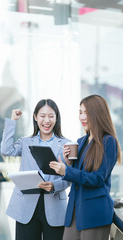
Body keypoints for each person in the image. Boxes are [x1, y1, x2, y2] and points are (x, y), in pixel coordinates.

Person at [49, 94, 121, 240]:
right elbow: (77, 174)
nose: (82, 117)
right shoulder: (80, 142)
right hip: (75, 211)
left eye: (86, 113)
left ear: (97, 114)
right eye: (80, 112)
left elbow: (97, 178)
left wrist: (67, 170)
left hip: (95, 213)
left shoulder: (108, 141)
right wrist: (68, 164)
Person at [0, 99, 70, 240]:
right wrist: (13, 121)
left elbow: (69, 177)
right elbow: (6, 150)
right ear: (35, 117)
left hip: (54, 206)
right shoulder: (25, 142)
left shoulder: (66, 144)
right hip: (26, 207)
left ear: (56, 118)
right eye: (42, 116)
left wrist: (54, 185)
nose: (46, 120)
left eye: (51, 116)